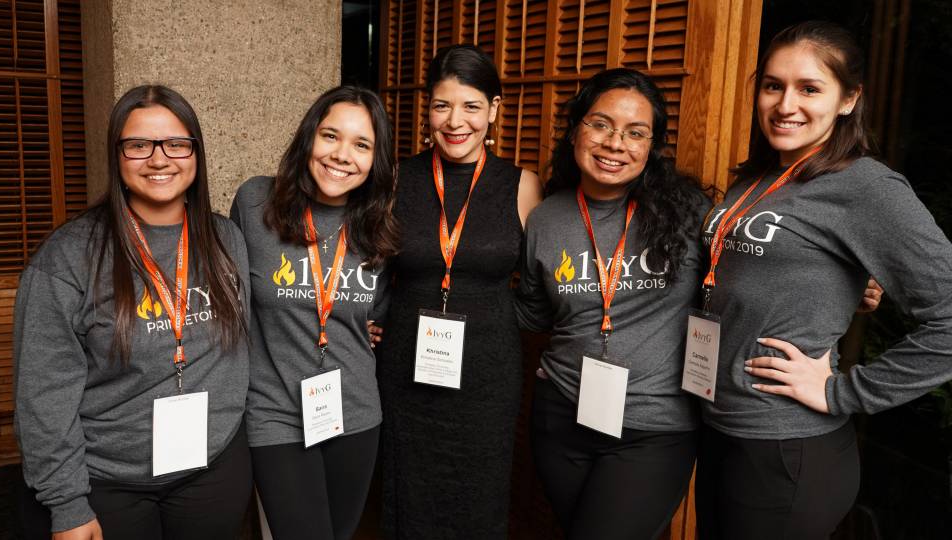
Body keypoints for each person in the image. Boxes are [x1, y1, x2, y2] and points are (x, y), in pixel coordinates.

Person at [695, 21, 952, 540]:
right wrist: (840, 290)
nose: (785, 104)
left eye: (809, 88)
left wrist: (845, 392)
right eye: (773, 85)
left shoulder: (867, 186)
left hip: (788, 449)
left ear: (848, 99)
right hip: (720, 427)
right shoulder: (759, 177)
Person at [14, 85, 252, 540]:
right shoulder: (68, 257)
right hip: (108, 484)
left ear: (196, 153)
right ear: (117, 157)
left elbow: (244, 347)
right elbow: (43, 394)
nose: (159, 159)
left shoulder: (226, 240)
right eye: (139, 145)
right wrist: (67, 504)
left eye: (176, 144)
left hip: (212, 471)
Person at [515, 68, 709, 539]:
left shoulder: (688, 213)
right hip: (562, 415)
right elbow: (534, 313)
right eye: (601, 124)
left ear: (651, 146)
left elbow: (749, 282)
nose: (615, 143)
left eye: (635, 133)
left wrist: (850, 288)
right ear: (577, 128)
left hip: (655, 426)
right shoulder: (546, 218)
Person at [377, 43, 543, 539]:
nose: (455, 121)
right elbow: (368, 267)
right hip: (406, 365)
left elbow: (537, 286)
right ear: (427, 109)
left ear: (494, 109)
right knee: (409, 495)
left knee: (481, 496)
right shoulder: (394, 179)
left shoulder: (521, 186)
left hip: (488, 374)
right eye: (442, 105)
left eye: (471, 106)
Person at [231, 86, 397, 540]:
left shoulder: (379, 227)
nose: (342, 155)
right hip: (275, 412)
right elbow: (233, 298)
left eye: (362, 145)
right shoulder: (254, 203)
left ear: (375, 160)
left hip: (356, 412)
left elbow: (373, 316)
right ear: (308, 138)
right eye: (330, 136)